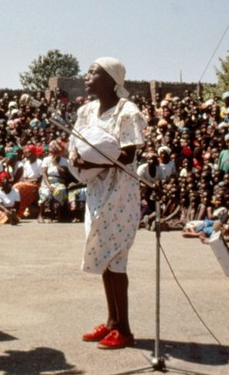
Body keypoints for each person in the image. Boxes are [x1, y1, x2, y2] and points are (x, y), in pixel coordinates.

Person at [69, 57, 146, 349]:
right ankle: (112, 321)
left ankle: (124, 328)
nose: (87, 76)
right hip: (96, 190)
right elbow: (77, 144)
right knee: (102, 254)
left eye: (93, 72)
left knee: (116, 259)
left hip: (120, 192)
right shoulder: (86, 111)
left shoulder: (129, 112)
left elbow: (127, 154)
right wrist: (79, 160)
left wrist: (89, 158)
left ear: (111, 79)